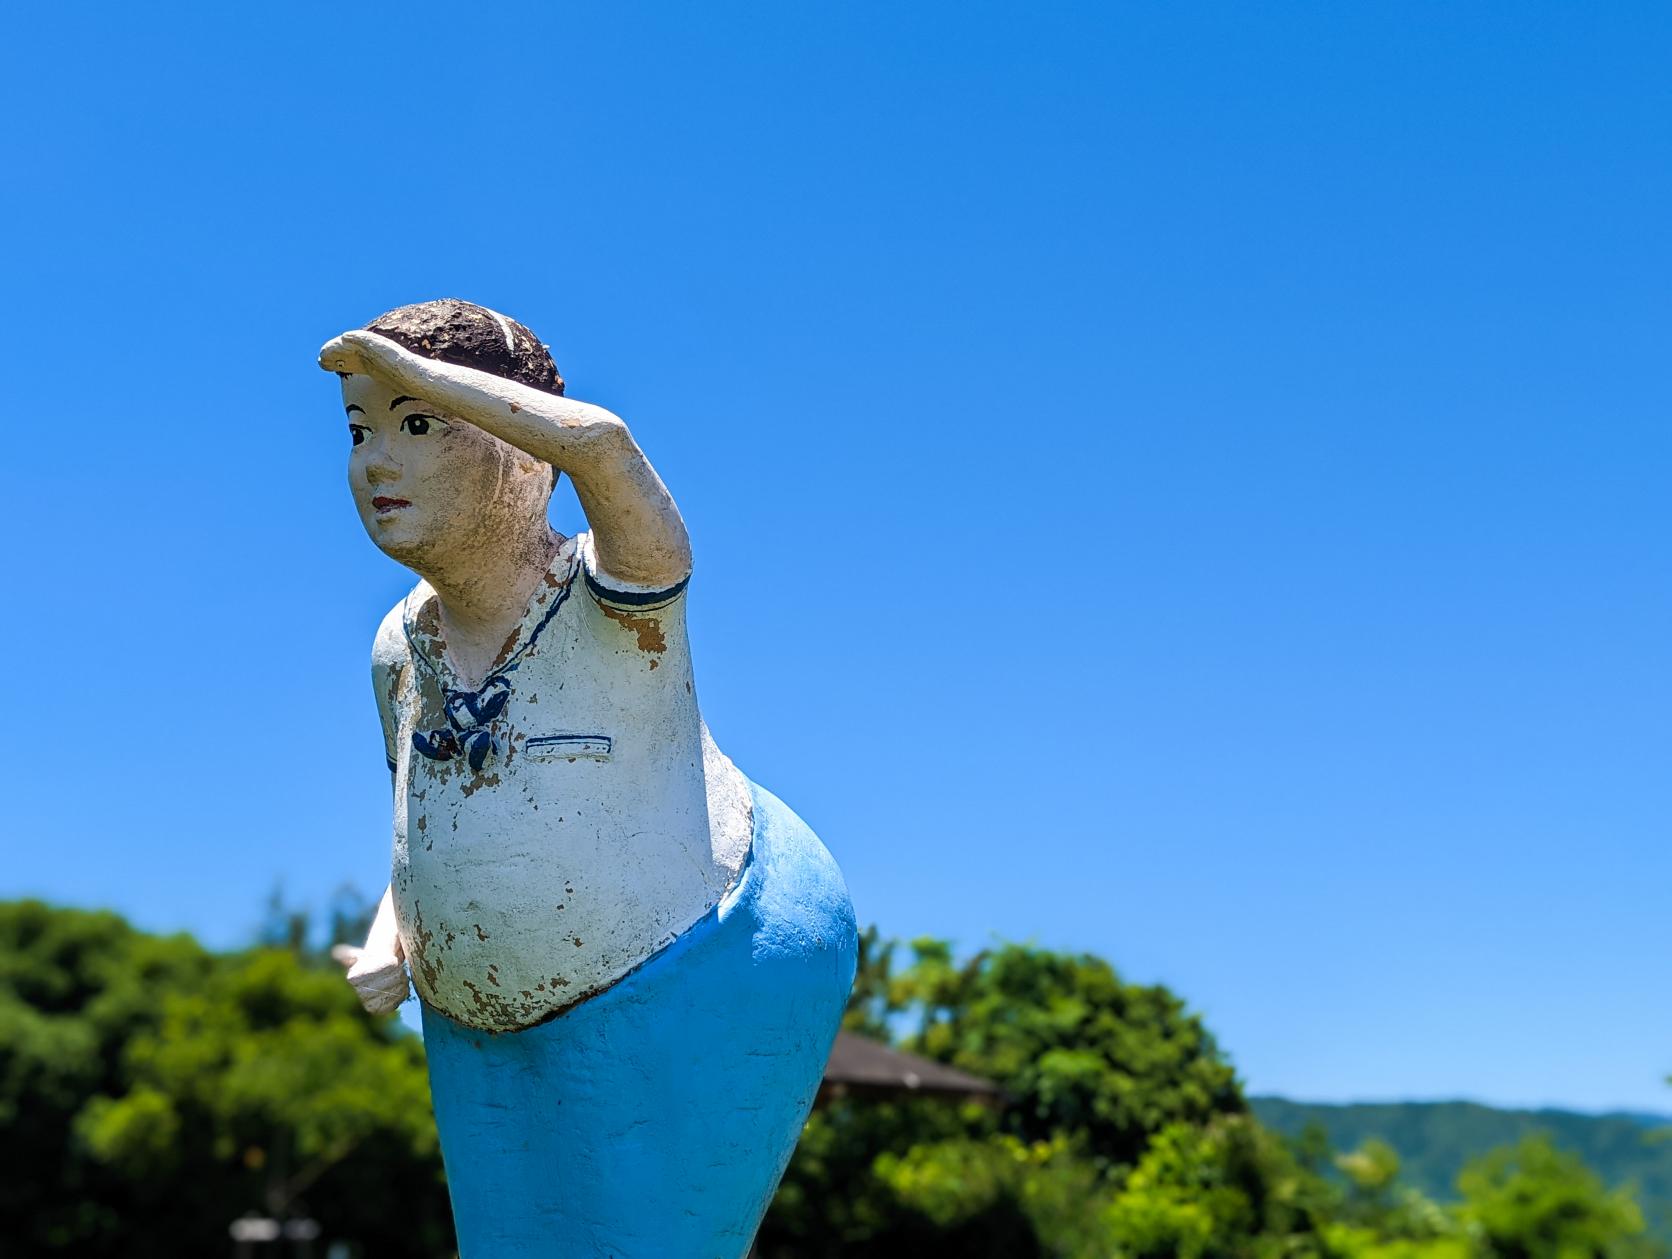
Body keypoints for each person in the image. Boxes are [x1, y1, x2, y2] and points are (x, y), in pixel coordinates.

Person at [319, 300, 856, 1258]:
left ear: (527, 452)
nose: (374, 463)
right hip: (474, 1020)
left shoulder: (616, 589)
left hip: (689, 966)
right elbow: (419, 816)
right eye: (361, 431)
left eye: (417, 426)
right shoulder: (398, 648)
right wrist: (389, 935)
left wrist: (437, 377)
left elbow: (604, 444)